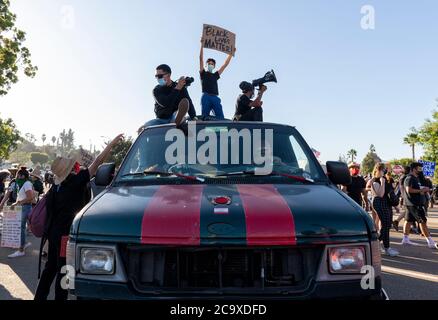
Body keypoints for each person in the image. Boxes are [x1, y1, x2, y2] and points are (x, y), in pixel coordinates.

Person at [34, 134, 124, 300]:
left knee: (50, 268)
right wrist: (111, 144)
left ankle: (39, 297)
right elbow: (97, 162)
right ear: (70, 170)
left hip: (53, 234)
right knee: (64, 270)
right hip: (65, 236)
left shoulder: (55, 188)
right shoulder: (75, 183)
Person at [139, 64, 197, 132]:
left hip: (174, 117)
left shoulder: (180, 87)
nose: (158, 78)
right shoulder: (156, 90)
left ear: (169, 75)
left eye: (160, 76)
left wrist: (194, 118)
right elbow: (165, 103)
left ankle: (176, 123)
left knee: (185, 101)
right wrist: (177, 88)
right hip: (160, 120)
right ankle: (175, 125)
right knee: (141, 129)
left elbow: (189, 103)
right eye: (156, 76)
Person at [401, 162, 438, 249]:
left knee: (408, 220)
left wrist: (423, 189)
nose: (421, 170)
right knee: (422, 221)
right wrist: (421, 190)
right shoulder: (409, 178)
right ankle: (430, 241)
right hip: (414, 204)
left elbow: (415, 189)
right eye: (419, 168)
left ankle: (405, 239)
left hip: (412, 204)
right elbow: (408, 190)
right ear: (414, 169)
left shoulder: (415, 178)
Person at [0, 168, 35, 258]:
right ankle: (23, 244)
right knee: (21, 228)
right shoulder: (23, 183)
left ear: (23, 176)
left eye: (18, 175)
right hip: (23, 207)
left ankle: (21, 249)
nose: (16, 177)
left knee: (21, 228)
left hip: (25, 207)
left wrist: (17, 203)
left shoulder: (26, 184)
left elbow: (30, 197)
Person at [366, 163, 399, 256]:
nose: (386, 171)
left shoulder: (385, 179)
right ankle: (377, 244)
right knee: (385, 225)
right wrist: (382, 182)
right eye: (384, 169)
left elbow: (389, 194)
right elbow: (380, 194)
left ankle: (384, 246)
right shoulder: (375, 180)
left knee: (387, 225)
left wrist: (395, 206)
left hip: (386, 203)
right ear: (379, 169)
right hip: (379, 203)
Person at [199, 39, 236, 119]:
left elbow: (225, 65)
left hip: (215, 97)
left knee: (220, 118)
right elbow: (201, 59)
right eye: (209, 64)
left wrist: (231, 53)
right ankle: (205, 126)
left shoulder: (215, 75)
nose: (210, 65)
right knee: (204, 117)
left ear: (214, 66)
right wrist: (202, 45)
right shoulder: (203, 73)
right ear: (206, 65)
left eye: (212, 64)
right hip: (206, 96)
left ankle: (218, 130)